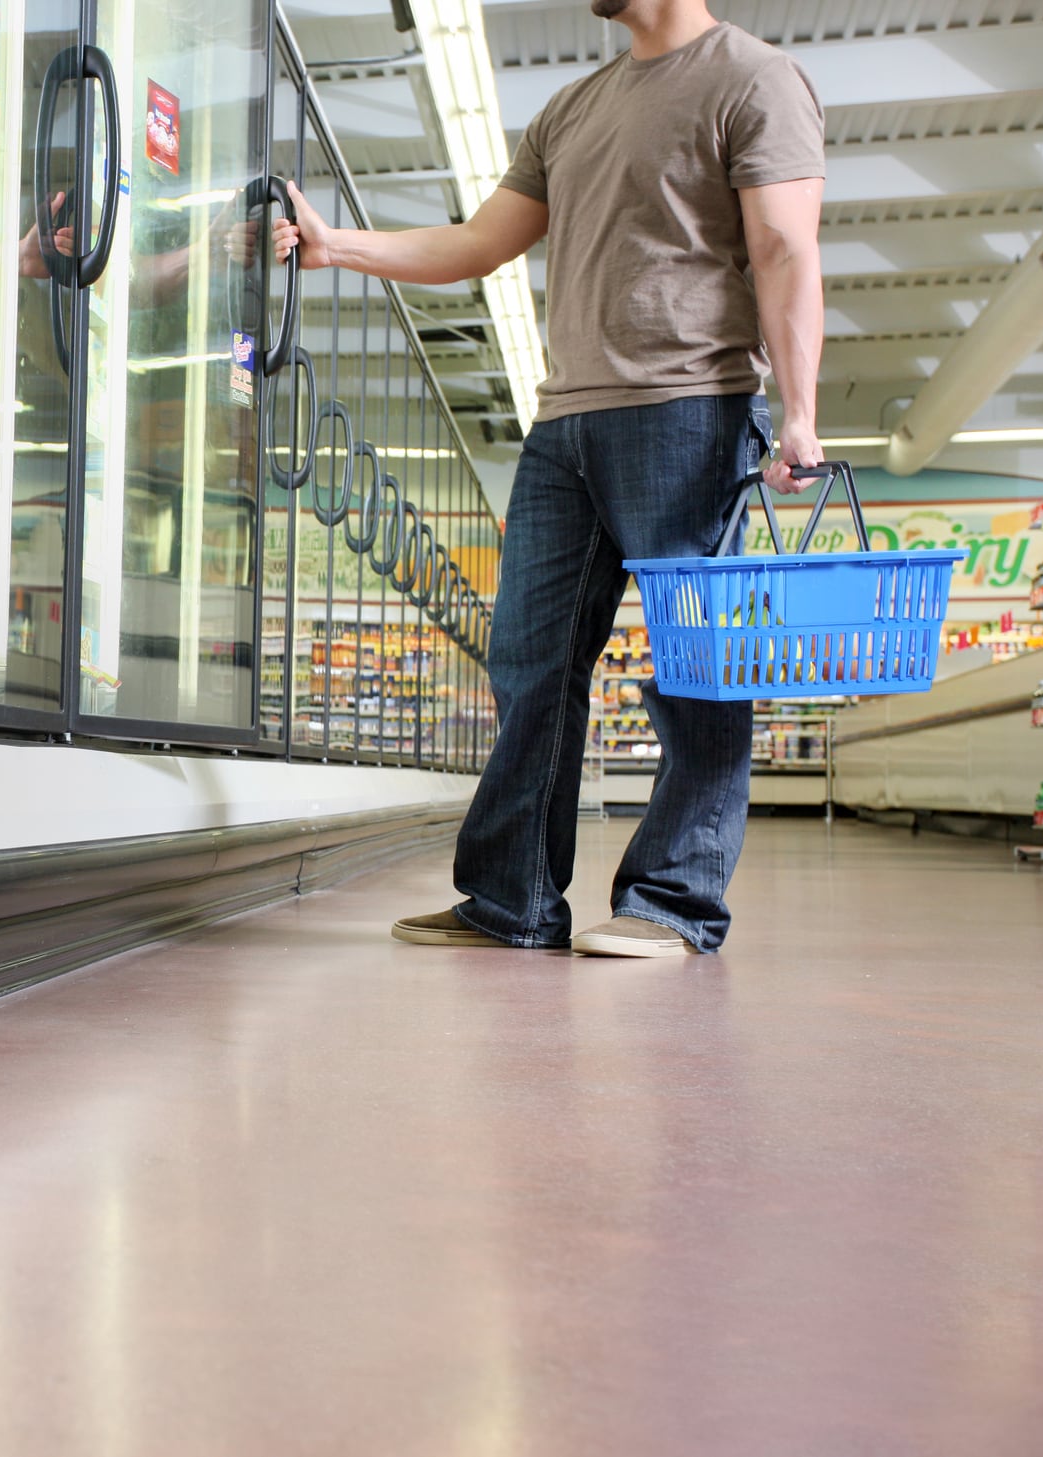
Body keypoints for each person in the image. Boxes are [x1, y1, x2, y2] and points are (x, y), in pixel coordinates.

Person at [273, 0, 826, 957]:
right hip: (565, 424)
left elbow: (784, 248)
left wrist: (804, 415)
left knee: (699, 668)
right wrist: (341, 248)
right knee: (530, 662)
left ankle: (673, 903)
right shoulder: (572, 109)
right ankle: (511, 899)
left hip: (690, 408)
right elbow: (480, 242)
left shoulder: (754, 78)